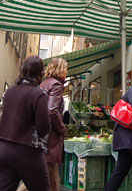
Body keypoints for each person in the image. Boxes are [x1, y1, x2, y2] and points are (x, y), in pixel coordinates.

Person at [0, 56, 51, 191]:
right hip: (27, 150)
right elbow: (43, 126)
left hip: (4, 147)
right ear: (40, 73)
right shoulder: (39, 94)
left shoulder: (9, 91)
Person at [40, 58, 68, 191]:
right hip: (51, 135)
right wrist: (62, 129)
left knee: (49, 174)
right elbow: (52, 110)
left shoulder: (44, 83)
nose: (67, 72)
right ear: (60, 69)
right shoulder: (56, 85)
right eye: (65, 68)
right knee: (48, 173)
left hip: (42, 133)